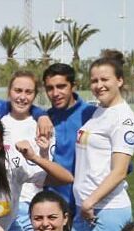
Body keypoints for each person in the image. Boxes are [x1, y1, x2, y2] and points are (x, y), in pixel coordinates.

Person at [73, 50, 134, 231]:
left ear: (119, 80)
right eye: (94, 80)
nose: (98, 85)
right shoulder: (98, 111)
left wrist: (90, 201)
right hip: (85, 208)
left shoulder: (123, 119)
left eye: (105, 79)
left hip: (105, 211)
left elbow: (119, 171)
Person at [1, 71, 53, 231]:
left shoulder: (43, 126)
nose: (22, 97)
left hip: (29, 207)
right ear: (9, 92)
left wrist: (43, 152)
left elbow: (46, 174)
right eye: (18, 90)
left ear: (35, 95)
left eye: (28, 92)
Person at [42, 63, 97, 214]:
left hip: (87, 205)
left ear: (73, 86)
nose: (55, 93)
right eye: (50, 88)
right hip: (53, 207)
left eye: (61, 86)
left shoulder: (93, 115)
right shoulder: (45, 119)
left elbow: (121, 165)